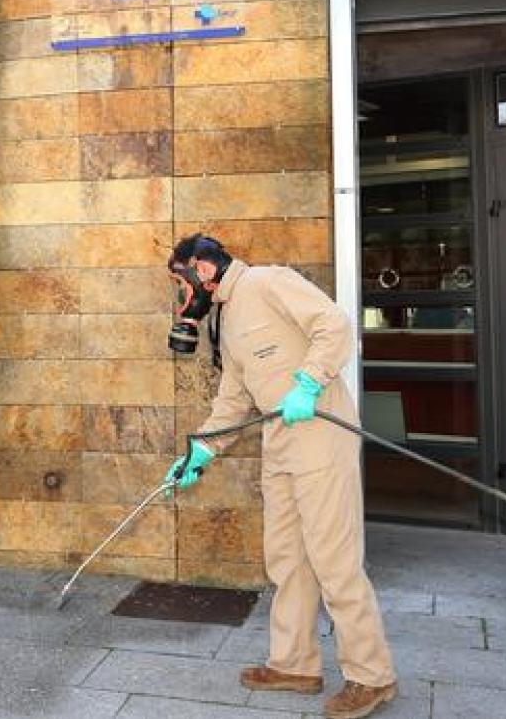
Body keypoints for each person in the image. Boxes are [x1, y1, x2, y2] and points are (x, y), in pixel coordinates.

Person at [163, 234, 397, 719]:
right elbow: (232, 402)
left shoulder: (269, 282)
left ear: (203, 269)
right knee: (287, 558)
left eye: (181, 281)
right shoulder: (226, 322)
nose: (183, 295)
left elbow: (333, 325)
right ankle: (294, 665)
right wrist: (199, 452)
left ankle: (372, 677)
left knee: (334, 560)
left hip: (319, 435)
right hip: (278, 441)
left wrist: (308, 382)